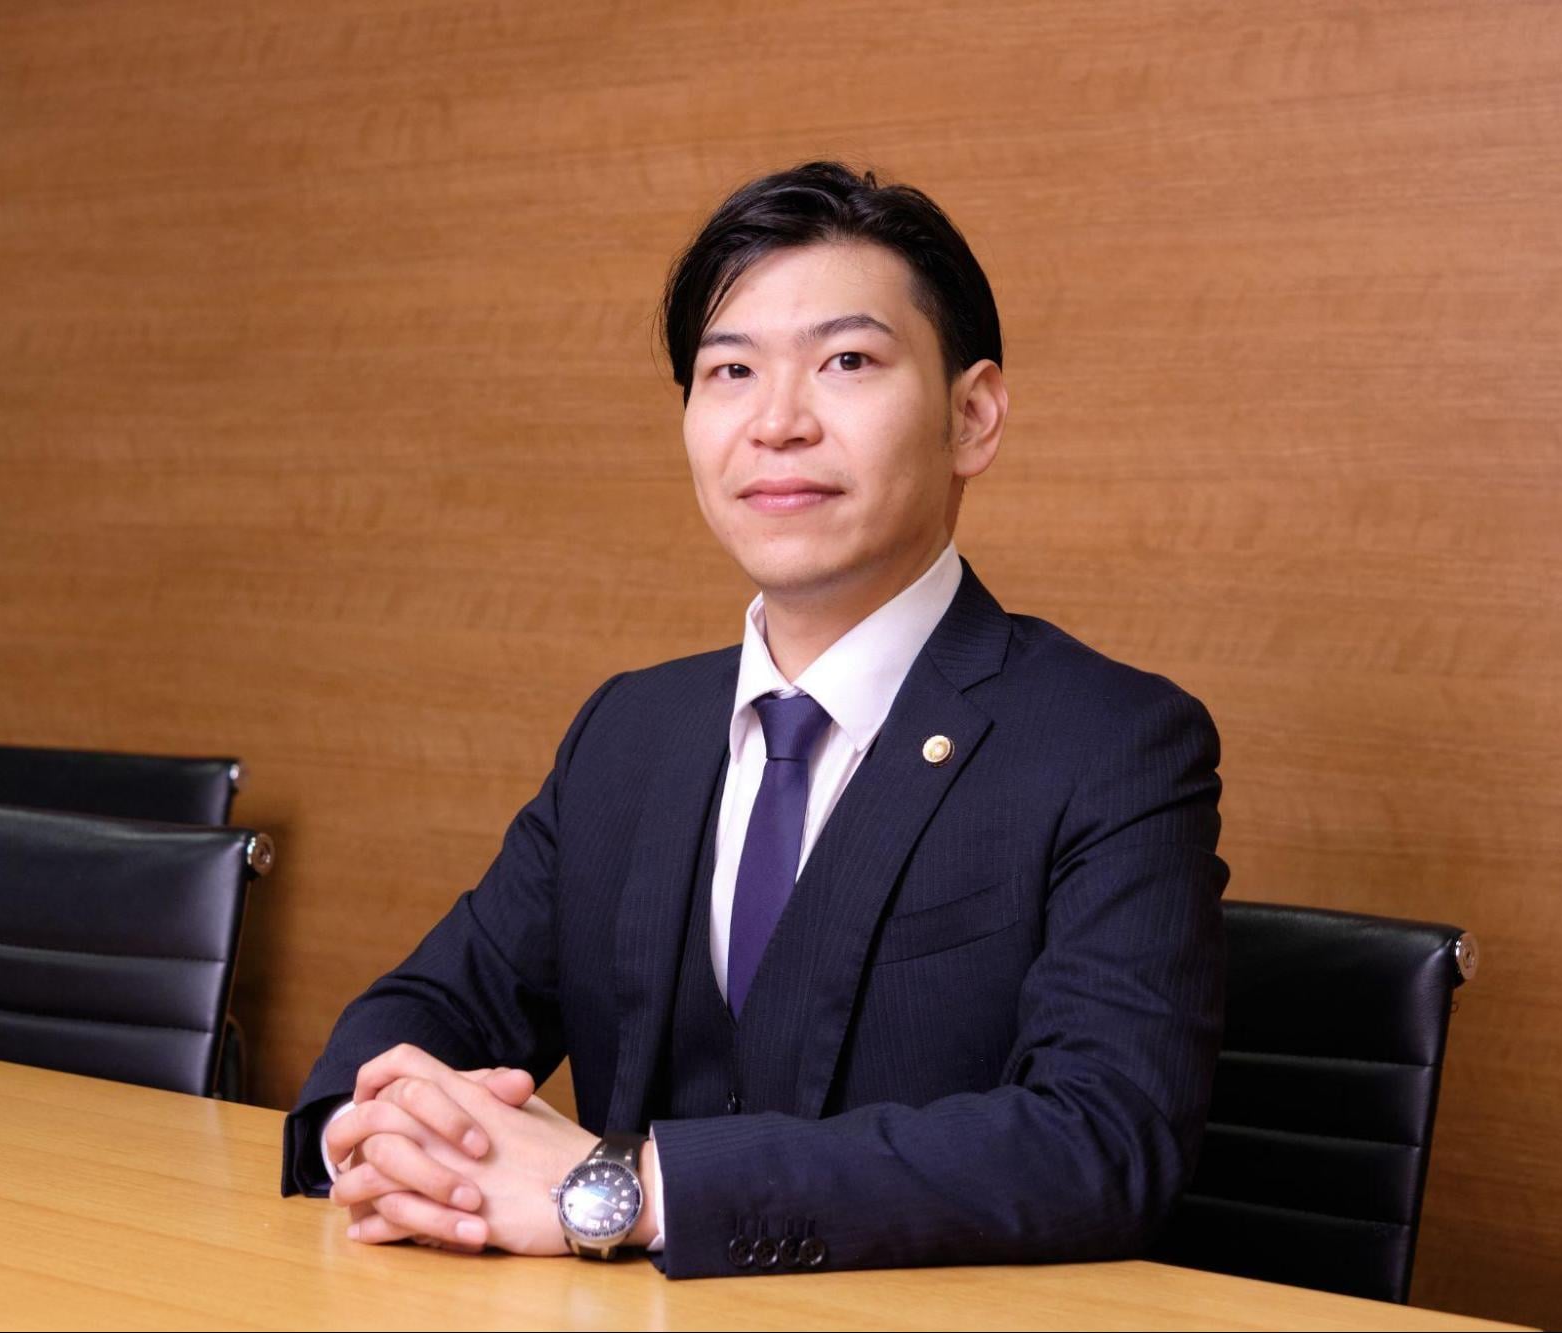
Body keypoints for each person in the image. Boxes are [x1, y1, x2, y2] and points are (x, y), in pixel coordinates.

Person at [280, 161, 1228, 1279]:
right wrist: (378, 1133)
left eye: (846, 362)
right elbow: (433, 1007)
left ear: (971, 416)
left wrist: (627, 1192)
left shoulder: (1112, 742)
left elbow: (1100, 1143)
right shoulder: (628, 730)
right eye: (729, 370)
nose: (777, 423)